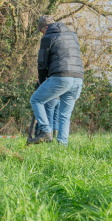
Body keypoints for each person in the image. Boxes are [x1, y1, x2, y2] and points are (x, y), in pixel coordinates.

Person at [28, 15, 84, 145]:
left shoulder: (48, 38)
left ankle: (46, 131)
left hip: (61, 77)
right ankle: (62, 146)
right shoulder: (73, 36)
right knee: (64, 115)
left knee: (36, 100)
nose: (42, 34)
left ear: (45, 28)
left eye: (41, 31)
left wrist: (41, 83)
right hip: (78, 78)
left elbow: (42, 64)